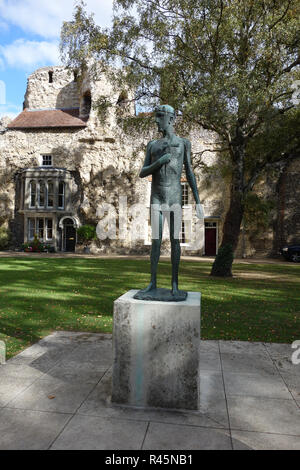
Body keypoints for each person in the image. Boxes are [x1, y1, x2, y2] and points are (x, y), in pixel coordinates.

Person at [135, 104, 204, 300]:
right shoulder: (152, 145)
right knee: (156, 241)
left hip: (174, 198)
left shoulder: (183, 143)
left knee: (175, 241)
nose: (156, 120)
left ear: (171, 119)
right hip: (156, 197)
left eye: (159, 117)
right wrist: (158, 162)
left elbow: (189, 172)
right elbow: (142, 172)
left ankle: (174, 284)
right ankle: (152, 282)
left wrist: (198, 201)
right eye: (156, 116)